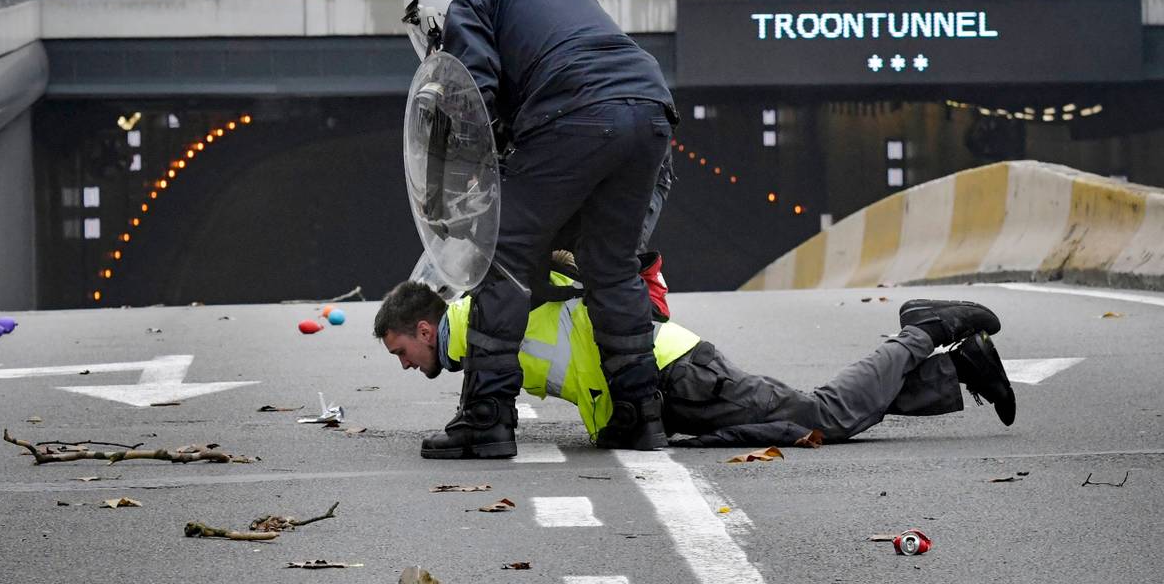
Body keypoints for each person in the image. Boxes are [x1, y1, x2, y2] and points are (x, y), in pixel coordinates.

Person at [399, 0, 677, 458]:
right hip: (652, 105)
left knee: (501, 256)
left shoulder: (472, 2)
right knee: (610, 265)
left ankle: (487, 418)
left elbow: (473, 102)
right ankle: (640, 415)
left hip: (578, 110)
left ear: (433, 2)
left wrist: (461, 184)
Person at [375, 276, 1016, 448]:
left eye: (402, 351)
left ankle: (922, 330)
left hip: (677, 373)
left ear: (424, 328)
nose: (405, 365)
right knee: (791, 424)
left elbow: (576, 275)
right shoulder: (476, 331)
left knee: (819, 416)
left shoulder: (482, 315)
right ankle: (960, 370)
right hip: (665, 393)